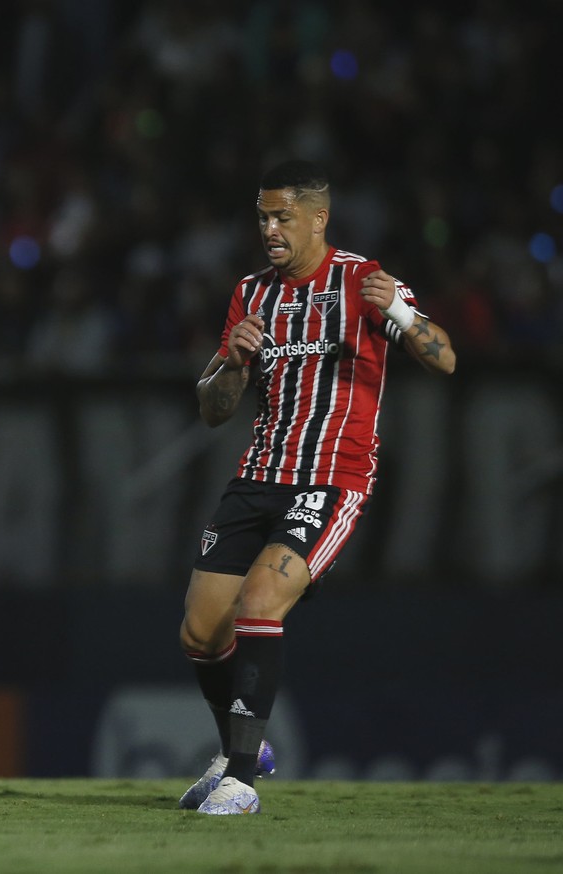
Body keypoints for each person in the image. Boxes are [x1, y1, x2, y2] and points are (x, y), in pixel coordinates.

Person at [177, 160, 455, 815]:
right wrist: (231, 364)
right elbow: (212, 408)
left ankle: (241, 782)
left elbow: (444, 358)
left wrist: (403, 316)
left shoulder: (362, 281)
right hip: (257, 476)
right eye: (263, 218)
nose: (270, 230)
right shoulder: (251, 293)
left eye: (283, 218)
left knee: (262, 598)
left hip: (331, 479)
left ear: (318, 219)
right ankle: (236, 751)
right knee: (199, 634)